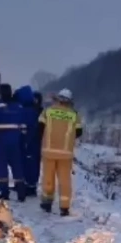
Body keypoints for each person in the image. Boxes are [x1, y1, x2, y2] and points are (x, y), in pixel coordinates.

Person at [38, 88, 83, 216]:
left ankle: (47, 203)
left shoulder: (48, 111)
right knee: (65, 180)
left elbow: (40, 127)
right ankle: (64, 207)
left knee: (48, 177)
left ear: (58, 99)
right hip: (65, 153)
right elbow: (79, 132)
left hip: (48, 151)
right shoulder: (74, 114)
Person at [0, 84, 27, 201]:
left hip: (1, 141)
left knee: (1, 167)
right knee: (17, 166)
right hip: (15, 141)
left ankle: (5, 193)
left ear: (0, 93)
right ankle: (21, 193)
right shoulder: (19, 106)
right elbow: (24, 127)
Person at [13, 85, 40, 197]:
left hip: (28, 142)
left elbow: (29, 128)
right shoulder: (34, 109)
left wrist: (25, 141)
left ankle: (29, 187)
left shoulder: (26, 111)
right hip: (34, 142)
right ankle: (30, 186)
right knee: (32, 164)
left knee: (28, 164)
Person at [29, 91, 45, 196]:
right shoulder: (41, 111)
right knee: (33, 164)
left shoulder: (40, 112)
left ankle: (32, 186)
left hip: (36, 141)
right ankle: (31, 185)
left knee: (33, 164)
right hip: (36, 140)